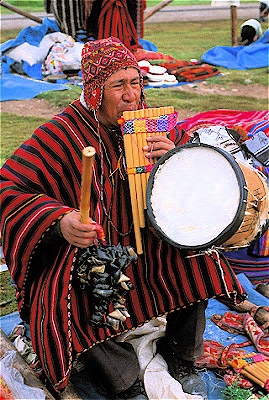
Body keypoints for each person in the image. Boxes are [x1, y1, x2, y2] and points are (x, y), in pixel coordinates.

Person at [0, 37, 246, 400]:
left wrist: (176, 156)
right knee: (85, 284)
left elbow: (194, 178)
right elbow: (10, 187)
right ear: (96, 90)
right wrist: (61, 220)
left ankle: (183, 358)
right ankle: (123, 376)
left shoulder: (154, 125)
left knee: (199, 253)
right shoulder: (61, 133)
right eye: (118, 85)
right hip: (94, 247)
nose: (131, 96)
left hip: (149, 238)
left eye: (136, 82)